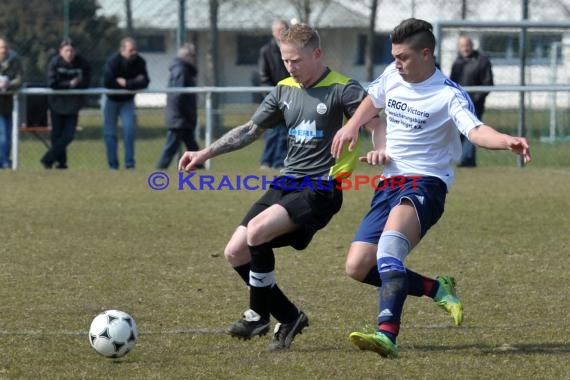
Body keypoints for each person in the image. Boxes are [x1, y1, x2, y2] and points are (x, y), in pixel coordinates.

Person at [331, 18, 531, 358]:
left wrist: (506, 141)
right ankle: (436, 287)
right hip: (388, 183)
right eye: (394, 56)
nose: (397, 63)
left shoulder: (448, 94)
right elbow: (373, 98)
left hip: (426, 183)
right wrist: (352, 125)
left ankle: (386, 335)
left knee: (389, 251)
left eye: (404, 57)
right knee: (358, 267)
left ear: (427, 54)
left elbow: (476, 130)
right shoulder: (393, 76)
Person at [178, 23, 381, 352]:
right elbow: (249, 131)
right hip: (287, 182)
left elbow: (374, 123)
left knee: (257, 232)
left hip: (322, 188)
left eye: (296, 61)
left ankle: (258, 314)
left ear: (316, 54)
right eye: (286, 61)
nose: (290, 67)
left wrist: (380, 147)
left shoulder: (344, 89)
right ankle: (288, 316)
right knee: (235, 251)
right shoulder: (284, 90)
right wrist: (204, 152)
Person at [41, 39, 91, 169]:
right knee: (56, 135)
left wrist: (77, 84)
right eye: (66, 50)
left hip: (73, 105)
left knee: (69, 135)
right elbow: (52, 83)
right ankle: (61, 164)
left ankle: (48, 158)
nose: (69, 53)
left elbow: (86, 82)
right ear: (60, 51)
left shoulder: (82, 63)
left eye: (72, 50)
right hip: (56, 104)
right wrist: (69, 84)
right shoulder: (54, 63)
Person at [102, 37, 150, 170]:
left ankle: (129, 164)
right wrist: (134, 82)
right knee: (110, 133)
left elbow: (145, 81)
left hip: (128, 101)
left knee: (129, 131)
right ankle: (113, 165)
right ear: (122, 50)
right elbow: (109, 82)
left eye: (135, 49)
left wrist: (127, 83)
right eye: (131, 50)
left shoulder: (140, 62)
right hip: (112, 101)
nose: (134, 52)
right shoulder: (113, 62)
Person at [450, 35, 494, 167]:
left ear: (472, 45)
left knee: (472, 131)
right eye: (462, 46)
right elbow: (452, 83)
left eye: (467, 45)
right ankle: (468, 161)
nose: (465, 48)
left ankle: (465, 160)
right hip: (459, 104)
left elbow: (488, 83)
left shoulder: (482, 61)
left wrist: (476, 99)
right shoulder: (457, 63)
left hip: (475, 104)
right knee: (461, 132)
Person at [156, 43, 200, 169]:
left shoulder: (184, 70)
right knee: (172, 146)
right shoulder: (181, 70)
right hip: (179, 116)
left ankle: (199, 166)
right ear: (186, 56)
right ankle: (160, 169)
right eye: (193, 55)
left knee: (191, 144)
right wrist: (181, 115)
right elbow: (178, 95)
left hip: (183, 116)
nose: (194, 58)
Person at [257, 19, 290, 170]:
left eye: (284, 29)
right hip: (273, 95)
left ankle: (277, 162)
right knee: (273, 130)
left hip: (290, 94)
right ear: (273, 32)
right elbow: (263, 75)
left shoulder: (291, 48)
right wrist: (271, 94)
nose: (281, 32)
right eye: (278, 30)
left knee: (284, 131)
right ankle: (267, 161)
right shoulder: (266, 50)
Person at [0, 37, 23, 169]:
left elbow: (19, 79)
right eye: (1, 48)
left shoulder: (14, 60)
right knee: (3, 134)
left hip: (9, 103)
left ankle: (4, 160)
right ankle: (4, 162)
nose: (4, 51)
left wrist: (8, 84)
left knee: (8, 134)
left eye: (6, 48)